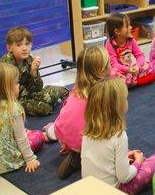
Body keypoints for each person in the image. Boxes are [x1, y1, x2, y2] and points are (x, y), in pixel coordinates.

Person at [81, 78, 155, 195]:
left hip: (89, 188)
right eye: (125, 99)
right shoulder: (119, 136)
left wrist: (126, 156)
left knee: (127, 156)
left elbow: (101, 157)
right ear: (117, 107)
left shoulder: (88, 131)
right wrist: (138, 162)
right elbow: (124, 177)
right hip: (113, 193)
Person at [43, 46, 111, 180]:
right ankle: (77, 155)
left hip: (62, 131)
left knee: (58, 126)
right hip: (86, 142)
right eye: (110, 63)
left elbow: (68, 112)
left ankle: (49, 135)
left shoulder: (77, 88)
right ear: (103, 70)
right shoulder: (103, 93)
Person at [0, 63, 41, 175]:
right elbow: (21, 138)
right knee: (38, 136)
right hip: (8, 162)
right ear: (5, 88)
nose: (19, 85)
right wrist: (30, 159)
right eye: (16, 83)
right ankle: (47, 134)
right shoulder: (13, 108)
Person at [0, 27, 69, 117]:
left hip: (29, 94)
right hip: (14, 101)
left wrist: (34, 70)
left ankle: (49, 99)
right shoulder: (6, 66)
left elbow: (37, 88)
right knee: (45, 108)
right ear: (9, 48)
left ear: (31, 45)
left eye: (27, 44)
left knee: (63, 92)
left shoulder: (29, 60)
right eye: (19, 45)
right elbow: (7, 95)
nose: (24, 48)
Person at [105, 13, 155, 87]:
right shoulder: (109, 44)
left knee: (148, 66)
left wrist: (137, 66)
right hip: (119, 72)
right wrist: (128, 69)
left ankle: (130, 82)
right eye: (127, 26)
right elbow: (115, 65)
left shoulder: (131, 40)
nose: (131, 27)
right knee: (112, 74)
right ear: (117, 31)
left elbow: (140, 55)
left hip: (130, 71)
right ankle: (133, 82)